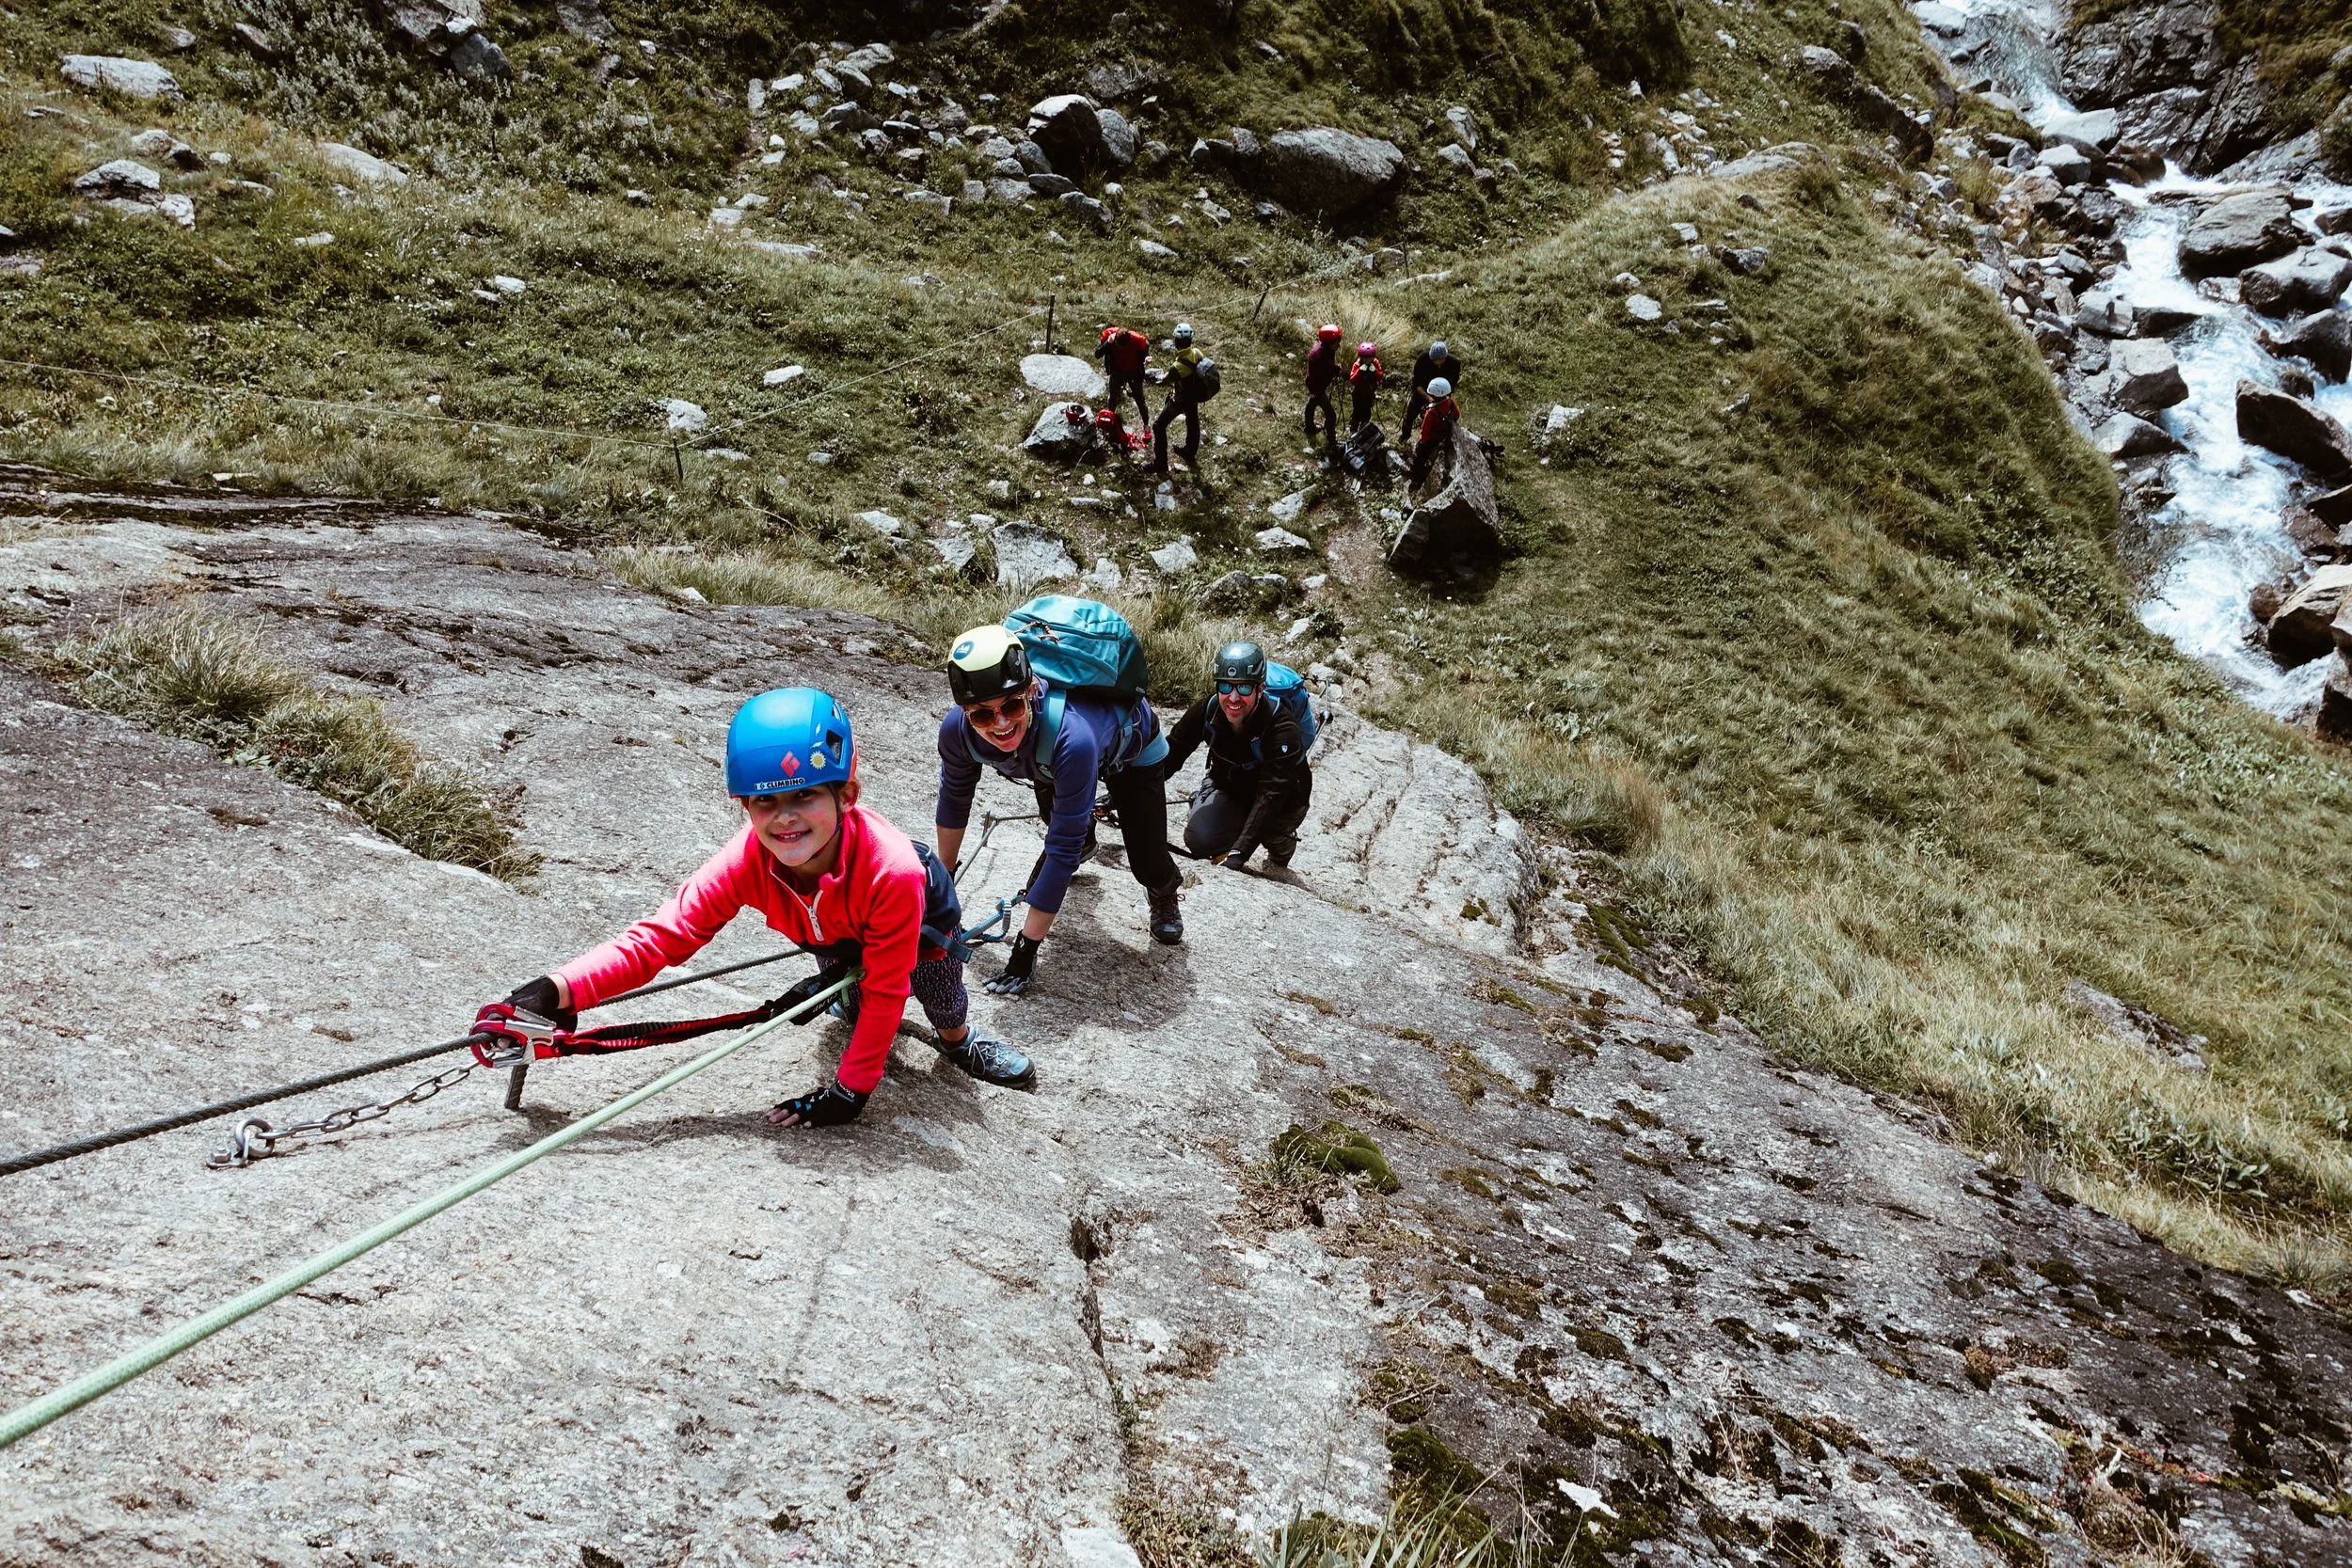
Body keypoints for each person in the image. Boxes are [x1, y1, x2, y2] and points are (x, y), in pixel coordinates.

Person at [471, 689, 1033, 1132]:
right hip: (832, 933)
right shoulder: (746, 861)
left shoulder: (892, 872)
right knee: (854, 997)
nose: (784, 818)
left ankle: (961, 1041)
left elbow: (891, 985)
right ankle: (846, 997)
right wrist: (558, 991)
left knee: (935, 988)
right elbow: (660, 940)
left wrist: (851, 1090)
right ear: (745, 804)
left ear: (846, 795)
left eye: (804, 795)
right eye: (765, 801)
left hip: (919, 917)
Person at [934, 626, 1184, 995]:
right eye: (982, 716)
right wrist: (942, 885)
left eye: (1012, 705)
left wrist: (1025, 949)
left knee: (1146, 860)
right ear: (965, 713)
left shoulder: (1071, 739)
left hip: (1130, 752)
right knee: (1063, 823)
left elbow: (1061, 849)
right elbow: (954, 801)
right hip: (1046, 760)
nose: (1000, 724)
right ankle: (1088, 838)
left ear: (1031, 690)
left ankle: (1164, 891)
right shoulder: (958, 732)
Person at [1163, 641, 1312, 871]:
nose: (1233, 698)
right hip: (1232, 788)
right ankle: (1221, 812)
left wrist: (1239, 853)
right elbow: (1172, 753)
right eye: (1225, 687)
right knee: (1200, 840)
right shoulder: (1209, 710)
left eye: (1243, 688)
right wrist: (1127, 795)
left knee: (1271, 830)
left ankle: (1282, 840)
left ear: (1260, 689)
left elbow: (1271, 795)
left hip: (1283, 803)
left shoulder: (1282, 728)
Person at [1150, 323, 1203, 474]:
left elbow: (1164, 381)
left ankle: (1160, 463)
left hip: (1180, 399)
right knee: (1192, 422)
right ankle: (1190, 452)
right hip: (1194, 397)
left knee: (1158, 426)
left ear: (1176, 342)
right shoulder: (1197, 353)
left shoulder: (1178, 366)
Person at [1399, 339, 1463, 448]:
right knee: (1410, 414)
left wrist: (1442, 400)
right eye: (1434, 360)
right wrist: (1428, 398)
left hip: (1443, 395)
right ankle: (1404, 436)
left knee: (1439, 419)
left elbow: (1452, 385)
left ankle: (1434, 443)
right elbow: (1416, 383)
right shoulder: (1423, 360)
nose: (1437, 363)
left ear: (1445, 357)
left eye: (1440, 360)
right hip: (1423, 391)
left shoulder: (1454, 364)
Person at [1095, 324, 1152, 432]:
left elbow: (1145, 348)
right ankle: (1110, 419)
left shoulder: (1137, 339)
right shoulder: (1109, 336)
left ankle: (1146, 425)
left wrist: (1147, 356)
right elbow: (1097, 354)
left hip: (1134, 372)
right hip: (1117, 371)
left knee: (1140, 399)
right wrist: (1108, 343)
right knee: (1113, 397)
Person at [1410, 375, 1460, 491]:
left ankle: (1416, 473)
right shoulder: (1451, 403)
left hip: (1433, 438)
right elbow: (1456, 416)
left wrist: (1421, 443)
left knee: (1421, 454)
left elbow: (1425, 431)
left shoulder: (1431, 412)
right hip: (1446, 434)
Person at [1303, 323, 1343, 455]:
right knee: (1331, 415)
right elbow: (1316, 375)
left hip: (1318, 386)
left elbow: (1327, 367)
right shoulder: (1319, 356)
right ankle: (1331, 440)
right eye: (1337, 342)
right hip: (1317, 387)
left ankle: (1309, 427)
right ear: (1329, 342)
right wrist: (1314, 391)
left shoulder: (1327, 350)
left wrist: (1334, 369)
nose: (1339, 345)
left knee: (1312, 404)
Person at [1347, 341, 1385, 434]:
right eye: (1365, 357)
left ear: (1373, 357)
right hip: (1358, 393)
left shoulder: (1375, 363)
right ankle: (1353, 430)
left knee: (1367, 413)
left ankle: (1363, 430)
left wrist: (1374, 371)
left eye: (1369, 357)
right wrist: (1360, 371)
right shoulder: (1357, 364)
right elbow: (1352, 380)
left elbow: (1380, 376)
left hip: (1369, 393)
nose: (1367, 360)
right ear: (1361, 357)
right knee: (1357, 412)